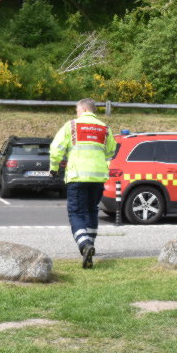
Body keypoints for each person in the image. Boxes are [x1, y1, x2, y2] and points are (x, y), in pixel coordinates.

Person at [49, 98, 116, 269]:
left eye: (77, 110)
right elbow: (111, 150)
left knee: (76, 213)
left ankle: (85, 244)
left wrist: (54, 168)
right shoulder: (104, 128)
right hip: (97, 179)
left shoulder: (71, 126)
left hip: (77, 176)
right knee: (92, 211)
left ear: (84, 109)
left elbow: (56, 148)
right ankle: (91, 245)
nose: (76, 113)